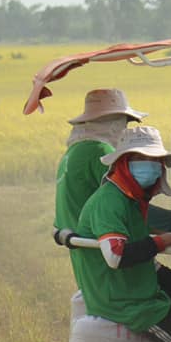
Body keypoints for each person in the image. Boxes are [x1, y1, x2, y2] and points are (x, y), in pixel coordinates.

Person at [71, 126, 171, 339]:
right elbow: (116, 256)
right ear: (123, 163)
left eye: (154, 159)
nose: (149, 165)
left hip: (139, 290)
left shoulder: (131, 200)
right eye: (139, 158)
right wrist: (162, 241)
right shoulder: (109, 201)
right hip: (128, 306)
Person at [54, 88, 145, 236]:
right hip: (101, 245)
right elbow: (128, 206)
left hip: (81, 245)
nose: (125, 129)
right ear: (115, 124)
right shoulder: (101, 151)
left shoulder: (75, 150)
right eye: (125, 123)